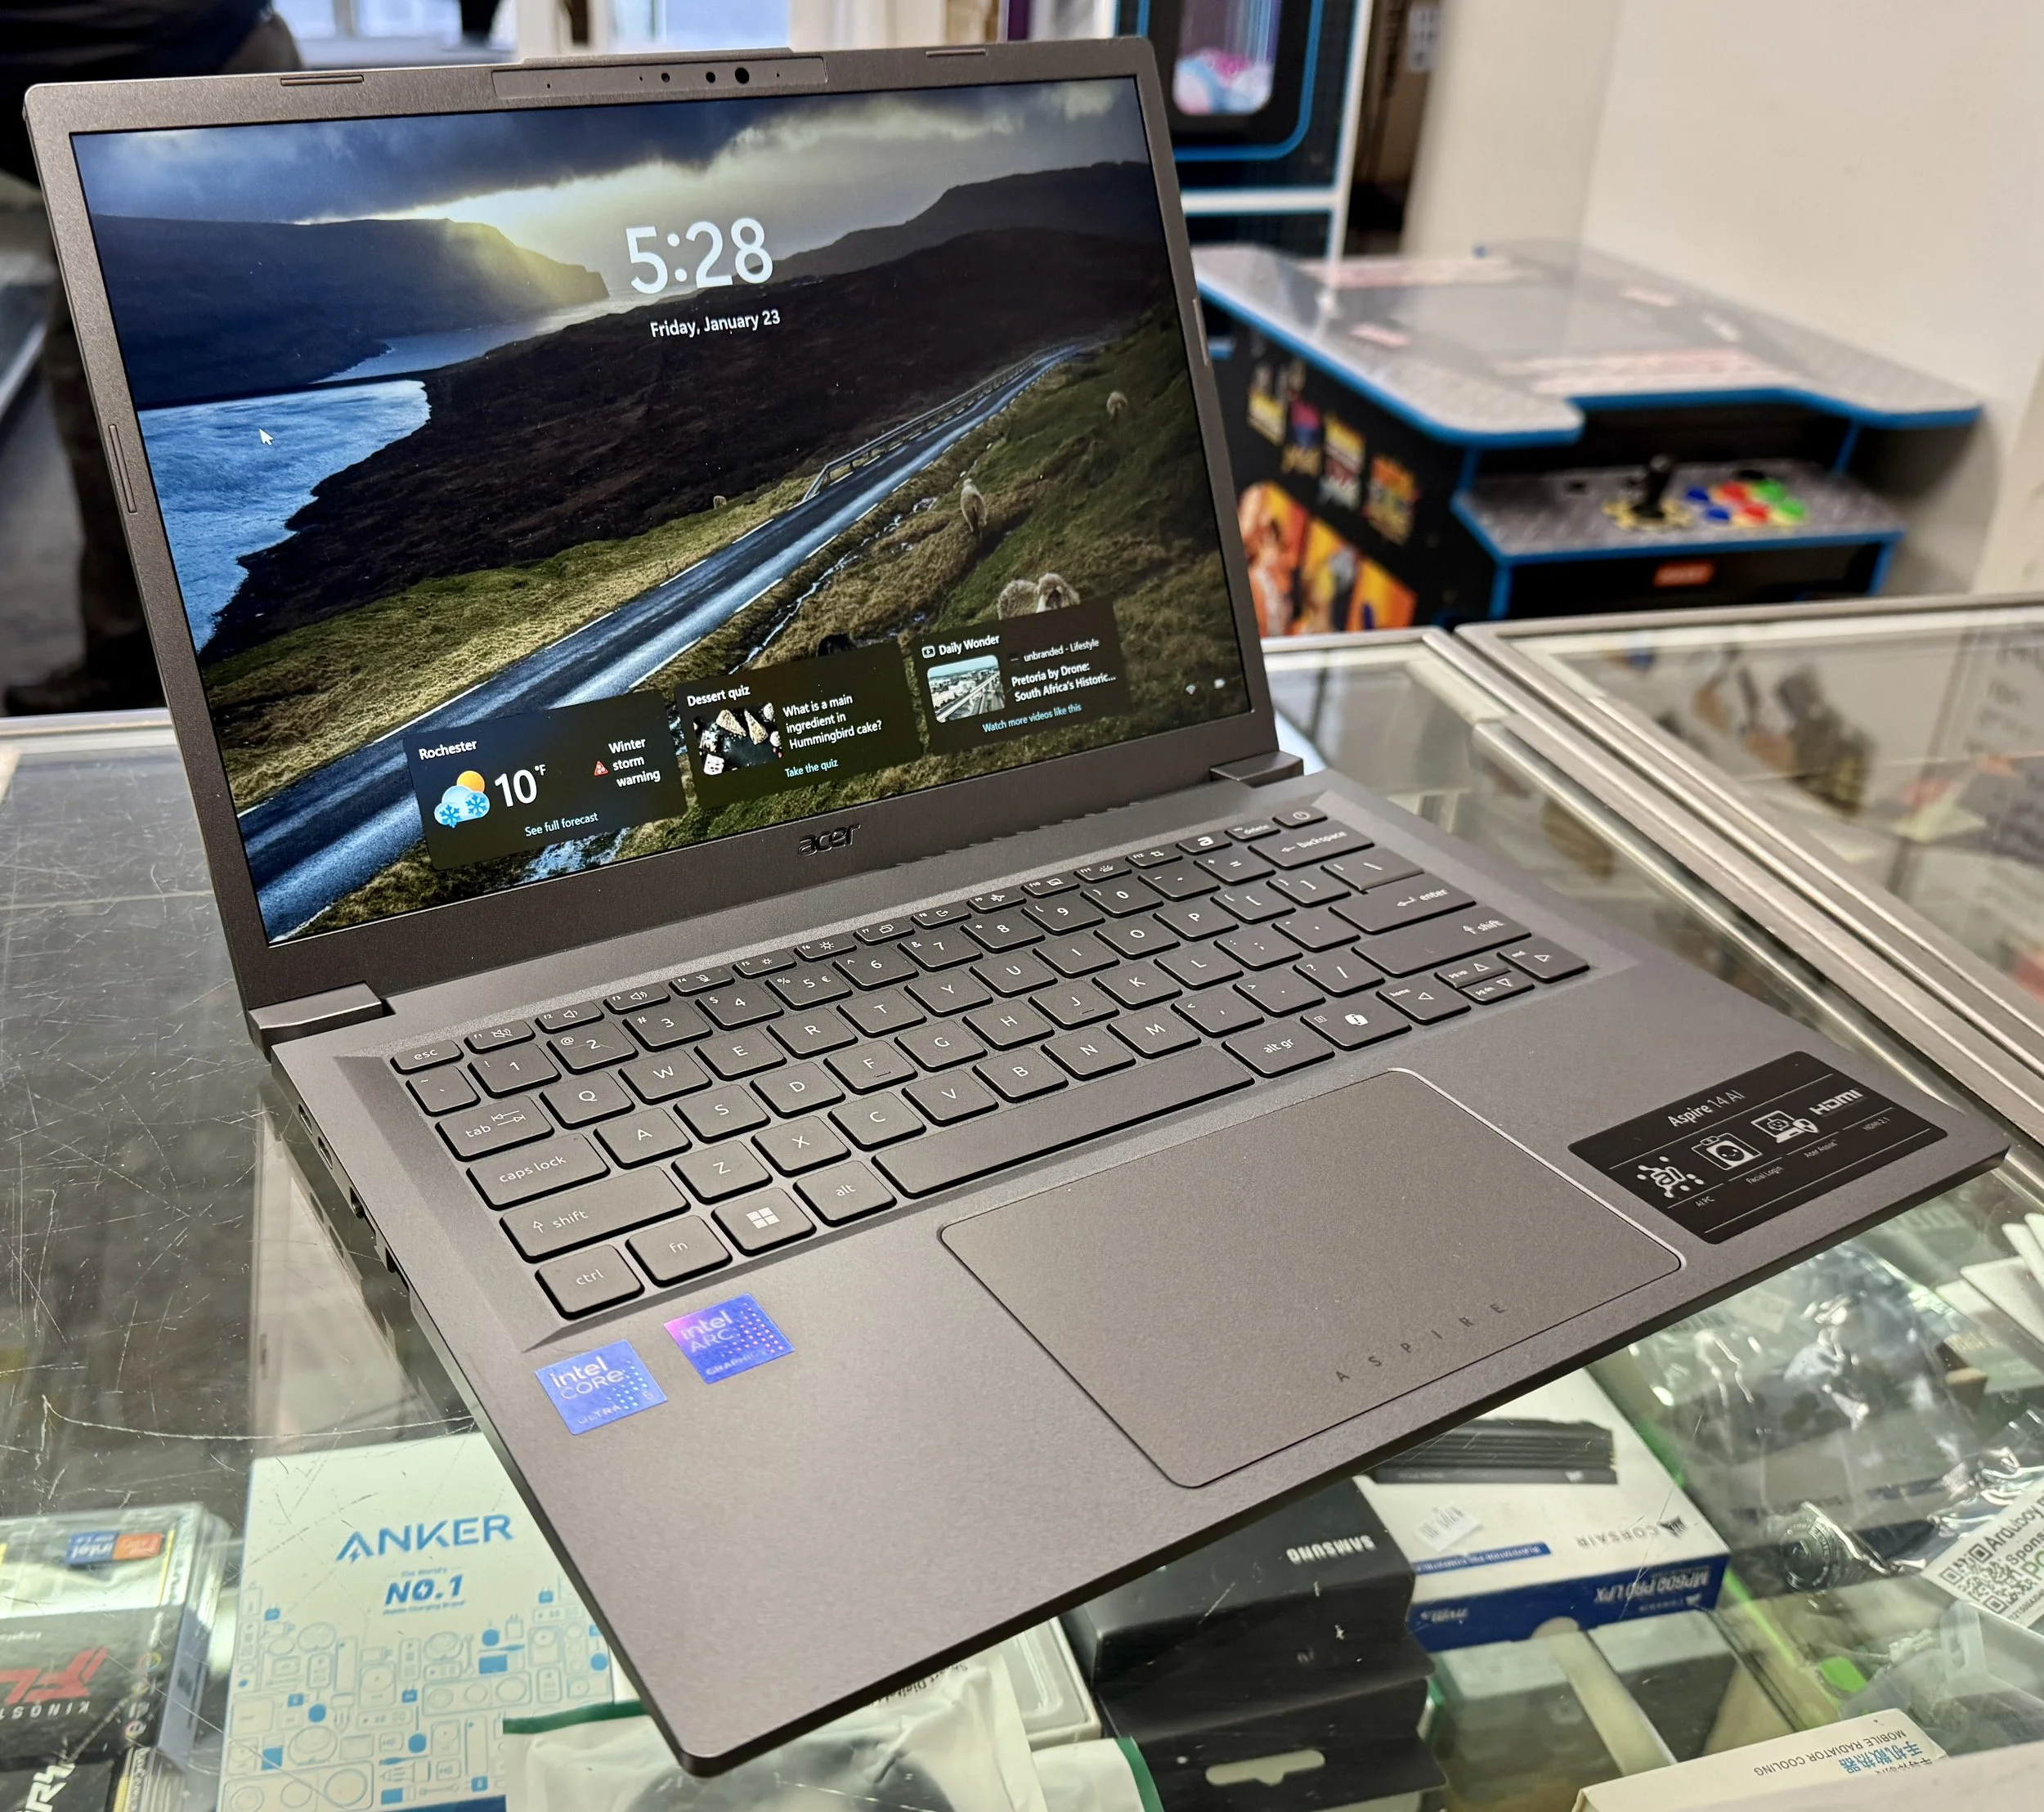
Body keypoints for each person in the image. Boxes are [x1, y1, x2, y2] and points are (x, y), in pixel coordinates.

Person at [2, 2, 301, 714]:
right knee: (112, 374)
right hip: (181, 76)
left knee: (108, 382)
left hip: (178, 93)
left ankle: (166, 669)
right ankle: (172, 657)